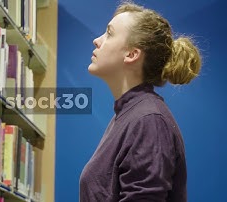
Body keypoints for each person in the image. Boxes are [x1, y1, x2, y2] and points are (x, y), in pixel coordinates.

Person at [79, 2, 201, 202]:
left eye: (109, 33)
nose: (96, 40)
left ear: (132, 54)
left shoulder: (149, 121)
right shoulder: (129, 116)